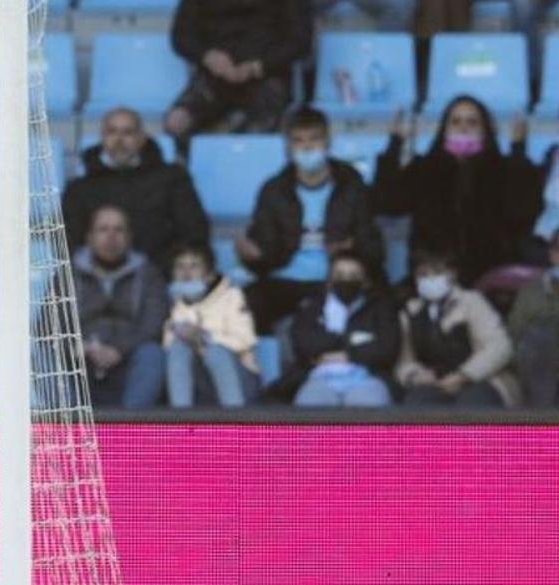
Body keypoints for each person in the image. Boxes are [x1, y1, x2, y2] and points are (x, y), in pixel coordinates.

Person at [238, 107, 384, 334]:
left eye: (314, 139)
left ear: (328, 143)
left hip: (338, 280)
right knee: (245, 304)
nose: (307, 147)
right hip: (285, 281)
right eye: (298, 141)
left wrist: (352, 248)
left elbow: (374, 248)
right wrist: (251, 256)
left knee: (378, 301)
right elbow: (265, 252)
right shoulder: (273, 190)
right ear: (288, 147)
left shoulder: (352, 187)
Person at [373, 96, 538, 285]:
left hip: (492, 279)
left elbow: (523, 212)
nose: (463, 127)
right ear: (444, 129)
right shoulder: (424, 169)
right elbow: (388, 203)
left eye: (472, 122)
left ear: (486, 130)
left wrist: (518, 151)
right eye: (455, 121)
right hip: (434, 276)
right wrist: (394, 146)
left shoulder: (504, 170)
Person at [62, 107, 209, 269]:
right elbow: (70, 243)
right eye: (112, 132)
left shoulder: (172, 179)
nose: (119, 140)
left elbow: (193, 232)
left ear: (141, 138)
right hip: (96, 277)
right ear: (102, 137)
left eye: (128, 133)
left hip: (160, 273)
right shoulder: (79, 189)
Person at [164, 0, 313, 144]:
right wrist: (207, 56)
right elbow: (181, 35)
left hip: (268, 78)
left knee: (255, 135)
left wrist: (258, 66)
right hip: (213, 78)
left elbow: (300, 41)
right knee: (175, 122)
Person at [72, 205, 168, 410]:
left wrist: (119, 349)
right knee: (47, 353)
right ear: (89, 237)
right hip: (81, 361)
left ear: (129, 237)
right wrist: (83, 346)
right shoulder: (68, 274)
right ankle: (66, 426)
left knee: (152, 354)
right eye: (103, 229)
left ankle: (132, 426)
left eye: (118, 229)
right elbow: (49, 324)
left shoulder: (148, 274)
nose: (111, 237)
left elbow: (154, 323)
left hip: (129, 358)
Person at [397, 250, 519, 408]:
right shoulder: (410, 310)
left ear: (452, 274)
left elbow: (500, 346)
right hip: (433, 385)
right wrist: (414, 376)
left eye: (437, 273)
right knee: (416, 404)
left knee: (473, 405)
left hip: (480, 380)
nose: (430, 279)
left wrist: (463, 376)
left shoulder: (472, 302)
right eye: (423, 274)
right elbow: (404, 361)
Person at [280, 252, 400, 407]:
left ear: (365, 282)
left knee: (367, 406)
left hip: (368, 378)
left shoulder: (380, 308)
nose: (346, 281)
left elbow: (386, 349)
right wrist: (354, 340)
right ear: (329, 281)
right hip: (318, 379)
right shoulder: (311, 307)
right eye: (339, 275)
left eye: (353, 276)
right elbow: (304, 345)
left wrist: (346, 355)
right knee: (310, 407)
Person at [164, 244, 260, 408]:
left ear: (209, 275)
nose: (186, 273)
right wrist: (181, 333)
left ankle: (234, 418)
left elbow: (245, 339)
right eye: (180, 266)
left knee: (215, 351)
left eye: (194, 266)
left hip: (239, 379)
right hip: (201, 383)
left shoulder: (232, 295)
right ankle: (180, 415)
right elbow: (167, 345)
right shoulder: (175, 301)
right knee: (178, 347)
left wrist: (205, 337)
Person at [508, 230, 559, 406]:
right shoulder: (531, 292)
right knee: (539, 337)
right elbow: (515, 332)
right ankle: (543, 418)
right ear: (553, 255)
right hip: (542, 374)